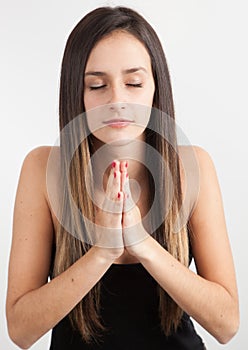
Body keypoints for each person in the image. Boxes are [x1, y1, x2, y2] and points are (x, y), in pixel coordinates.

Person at [6, 6, 239, 350]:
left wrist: (143, 244)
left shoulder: (193, 166)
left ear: (155, 88)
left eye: (133, 83)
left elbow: (227, 324)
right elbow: (20, 331)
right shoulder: (43, 168)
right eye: (97, 86)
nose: (117, 100)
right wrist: (101, 252)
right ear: (77, 94)